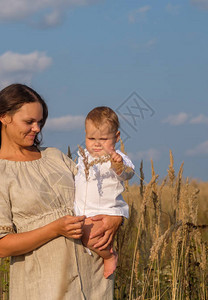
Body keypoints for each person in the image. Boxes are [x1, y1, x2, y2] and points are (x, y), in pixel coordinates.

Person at [0, 84, 122, 299]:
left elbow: (100, 189)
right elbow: (2, 246)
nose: (37, 128)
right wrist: (54, 229)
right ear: (4, 117)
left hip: (94, 281)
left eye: (40, 122)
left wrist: (115, 219)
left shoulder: (54, 156)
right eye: (29, 122)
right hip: (45, 287)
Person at [74, 106, 135, 278]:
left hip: (105, 211)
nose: (96, 144)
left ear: (116, 137)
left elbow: (128, 174)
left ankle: (109, 256)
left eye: (103, 138)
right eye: (91, 138)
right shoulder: (83, 156)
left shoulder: (117, 157)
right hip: (82, 210)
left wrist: (118, 167)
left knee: (92, 237)